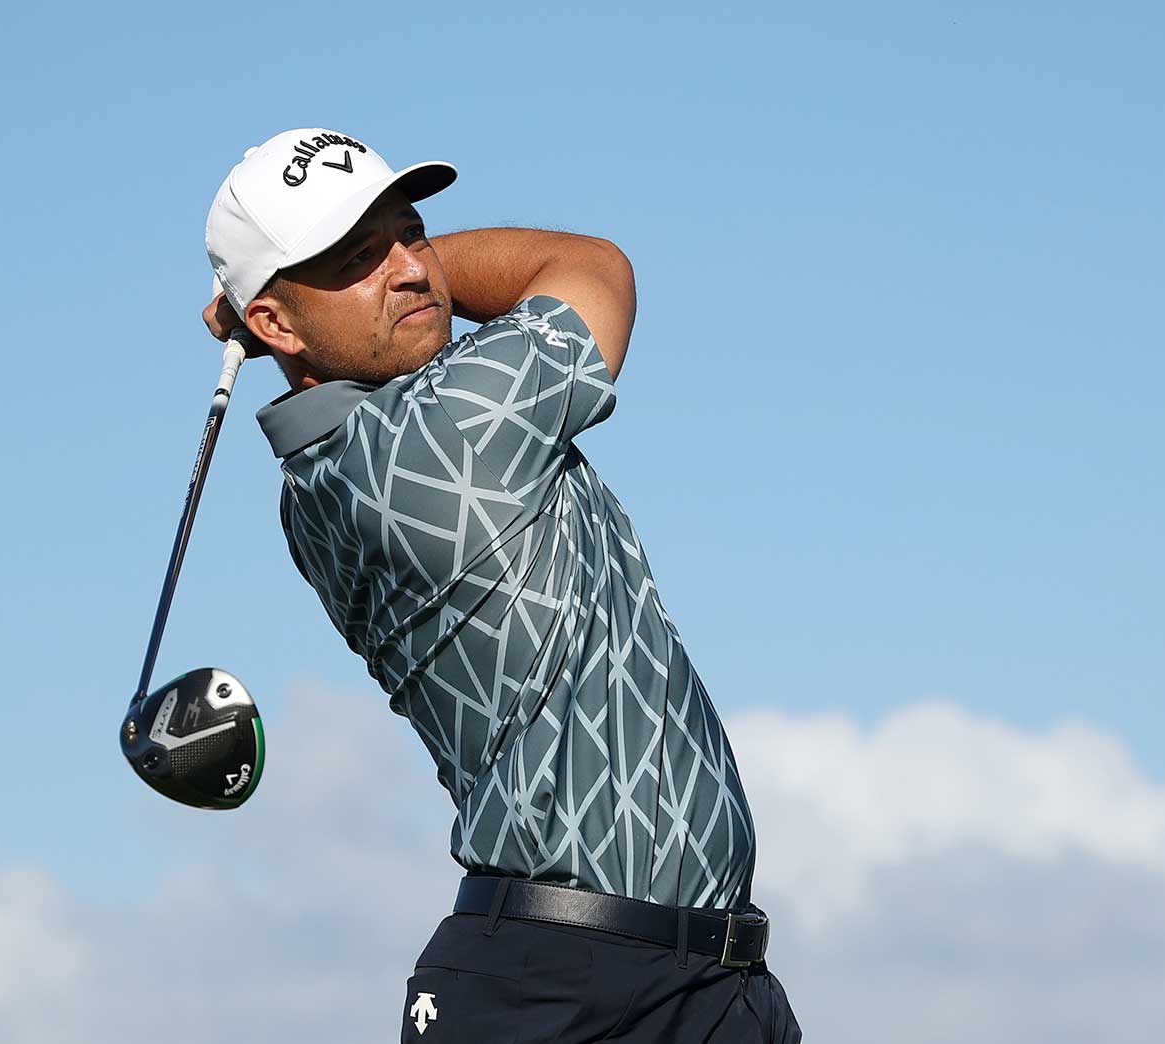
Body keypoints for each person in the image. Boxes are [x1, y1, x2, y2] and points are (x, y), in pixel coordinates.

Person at [201, 128, 803, 1043]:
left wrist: (294, 296)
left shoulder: (332, 466)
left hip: (704, 982)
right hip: (564, 990)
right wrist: (384, 275)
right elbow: (591, 268)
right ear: (278, 326)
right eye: (358, 259)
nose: (411, 270)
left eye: (412, 235)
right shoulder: (439, 438)